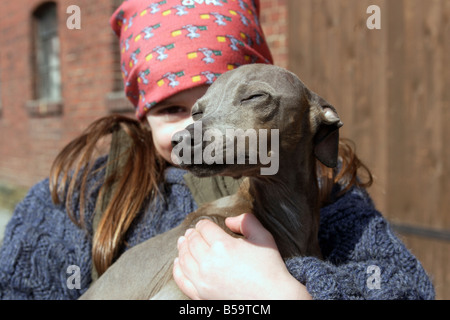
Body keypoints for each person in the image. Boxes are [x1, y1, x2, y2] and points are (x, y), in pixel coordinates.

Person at [0, 0, 434, 300]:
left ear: (314, 126)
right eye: (171, 109)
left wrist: (278, 293)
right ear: (142, 117)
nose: (197, 129)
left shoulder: (338, 201)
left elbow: (405, 287)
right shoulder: (71, 201)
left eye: (240, 101)